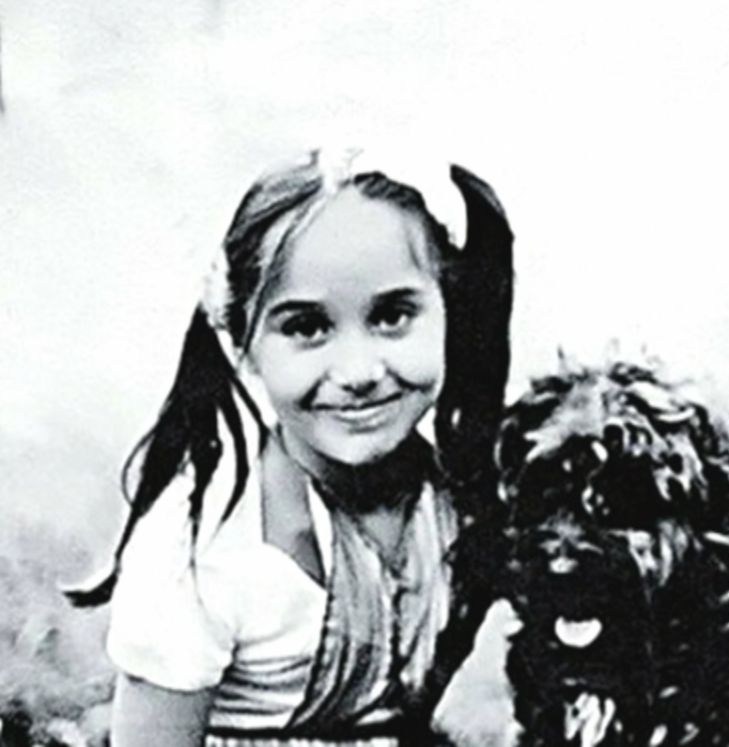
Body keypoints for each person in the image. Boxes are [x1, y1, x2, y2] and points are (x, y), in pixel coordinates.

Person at [68, 147, 514, 745]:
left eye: (392, 316)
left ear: (451, 313)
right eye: (306, 327)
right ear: (242, 342)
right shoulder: (205, 550)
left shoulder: (464, 502)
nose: (358, 372)